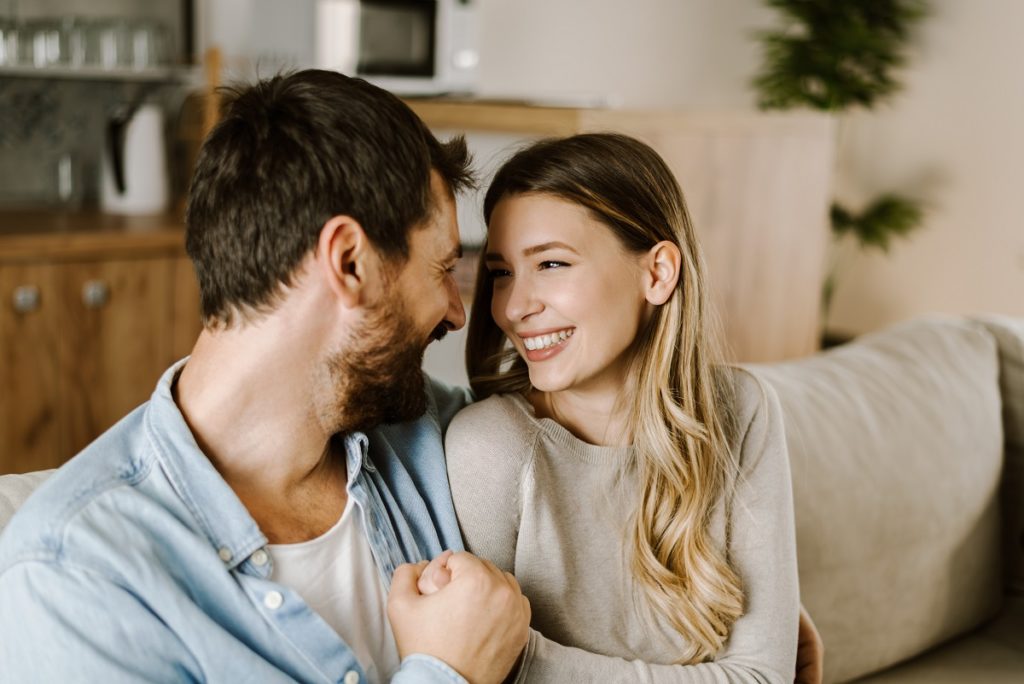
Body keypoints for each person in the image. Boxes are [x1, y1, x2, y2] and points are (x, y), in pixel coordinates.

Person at [0, 69, 530, 683]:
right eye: (441, 269)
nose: (459, 311)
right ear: (349, 262)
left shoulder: (434, 439)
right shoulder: (74, 582)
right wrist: (446, 673)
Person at [442, 132, 805, 682]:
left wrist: (529, 658)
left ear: (657, 273)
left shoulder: (743, 410)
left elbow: (765, 676)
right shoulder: (490, 448)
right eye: (501, 273)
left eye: (552, 265)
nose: (515, 307)